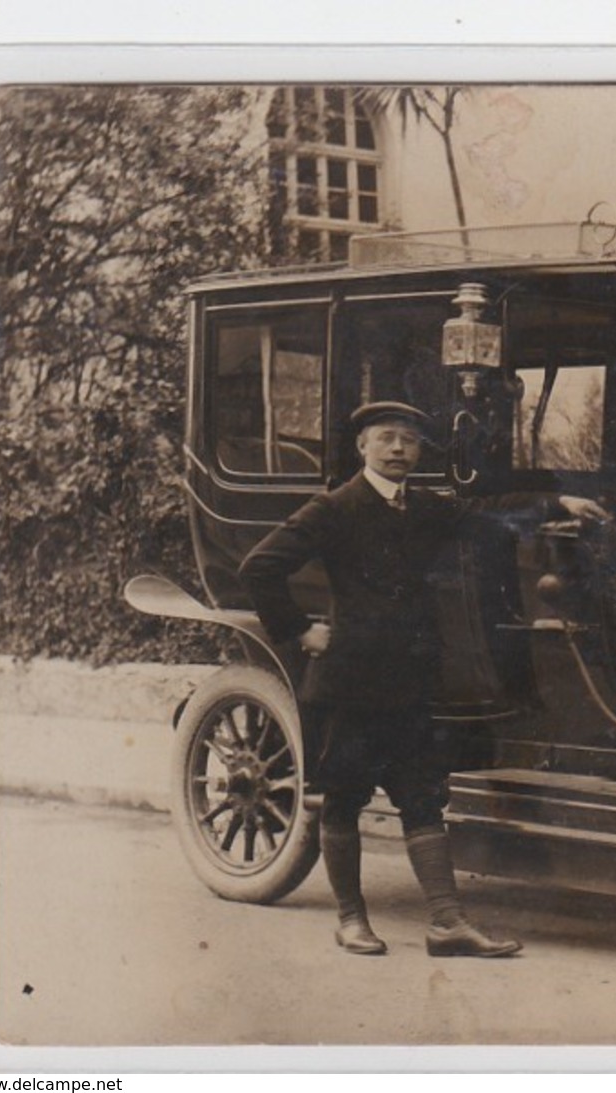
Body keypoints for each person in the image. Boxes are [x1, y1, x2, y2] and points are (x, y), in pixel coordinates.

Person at [238, 400, 522, 958]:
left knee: (422, 800)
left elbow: (489, 518)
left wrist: (558, 503)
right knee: (344, 800)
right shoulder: (335, 508)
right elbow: (259, 567)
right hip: (350, 687)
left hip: (412, 685)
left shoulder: (423, 508)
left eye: (410, 442)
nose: (399, 450)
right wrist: (298, 631)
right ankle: (351, 920)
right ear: (362, 447)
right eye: (387, 439)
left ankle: (446, 923)